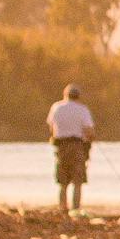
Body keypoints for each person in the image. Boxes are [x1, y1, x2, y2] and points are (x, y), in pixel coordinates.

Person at [47, 83, 95, 213]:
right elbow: (89, 131)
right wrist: (90, 142)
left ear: (65, 95)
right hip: (77, 146)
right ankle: (76, 208)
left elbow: (52, 128)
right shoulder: (82, 109)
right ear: (78, 96)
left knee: (63, 181)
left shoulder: (56, 107)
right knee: (77, 180)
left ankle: (62, 207)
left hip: (61, 146)